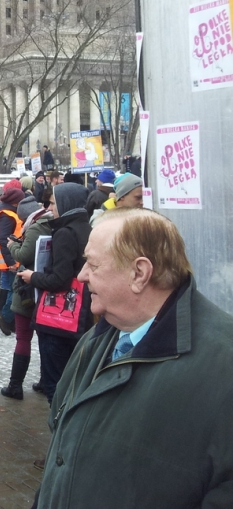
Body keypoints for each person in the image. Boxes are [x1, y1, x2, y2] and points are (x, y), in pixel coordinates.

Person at [35, 210, 233, 508]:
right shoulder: (97, 339)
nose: (82, 275)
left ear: (139, 273)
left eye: (93, 264)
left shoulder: (223, 367)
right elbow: (60, 458)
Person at [16, 182, 93, 403]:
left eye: (52, 203)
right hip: (81, 314)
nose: (49, 209)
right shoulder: (86, 228)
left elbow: (59, 279)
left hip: (59, 318)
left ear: (65, 203)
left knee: (55, 385)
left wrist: (32, 277)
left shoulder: (65, 232)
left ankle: (59, 422)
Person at [0, 196, 52, 400]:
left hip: (28, 288)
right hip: (46, 287)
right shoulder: (52, 224)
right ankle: (45, 380)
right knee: (44, 338)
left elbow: (23, 255)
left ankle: (15, 385)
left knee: (23, 337)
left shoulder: (36, 228)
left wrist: (12, 245)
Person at [0, 186, 24, 334]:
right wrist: (11, 262)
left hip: (10, 258)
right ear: (15, 201)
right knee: (14, 291)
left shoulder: (8, 212)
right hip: (11, 259)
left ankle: (7, 319)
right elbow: (3, 240)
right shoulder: (7, 215)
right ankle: (4, 316)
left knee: (10, 289)